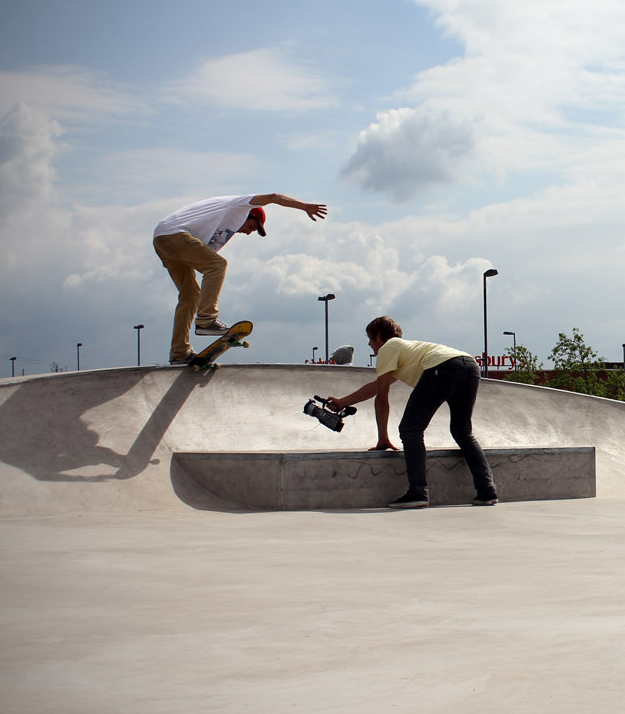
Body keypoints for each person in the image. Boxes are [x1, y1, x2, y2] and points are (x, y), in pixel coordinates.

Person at [328, 317, 498, 508]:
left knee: (410, 429)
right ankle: (486, 491)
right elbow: (376, 387)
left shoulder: (388, 348)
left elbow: (382, 397)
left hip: (442, 368)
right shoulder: (407, 351)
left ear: (378, 336)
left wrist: (382, 437)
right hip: (470, 367)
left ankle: (418, 492)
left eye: (370, 339)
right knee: (462, 431)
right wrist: (343, 402)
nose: (369, 344)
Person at [152, 193, 327, 364]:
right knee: (217, 265)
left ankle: (179, 352)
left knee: (190, 296)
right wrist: (305, 206)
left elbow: (202, 262)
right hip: (175, 235)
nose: (248, 233)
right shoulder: (240, 206)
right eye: (251, 227)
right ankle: (206, 320)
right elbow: (273, 197)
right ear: (249, 214)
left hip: (163, 240)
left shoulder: (218, 234)